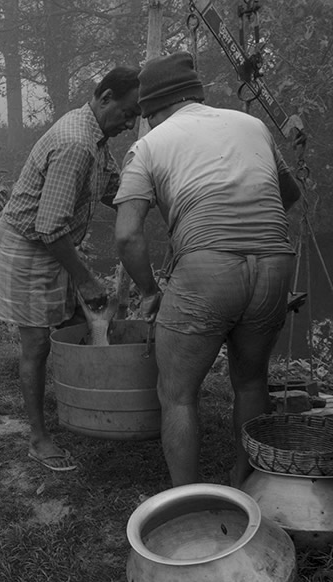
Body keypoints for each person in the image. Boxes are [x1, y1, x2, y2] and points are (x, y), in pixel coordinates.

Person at [113, 52, 301, 487]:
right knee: (252, 382)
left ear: (151, 109)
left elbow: (126, 235)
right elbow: (288, 193)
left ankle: (188, 501)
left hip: (207, 269)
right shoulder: (250, 125)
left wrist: (149, 291)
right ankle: (248, 486)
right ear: (195, 94)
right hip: (274, 259)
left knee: (177, 395)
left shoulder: (150, 145)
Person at [0, 66, 141, 472]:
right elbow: (49, 227)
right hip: (28, 244)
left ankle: (89, 410)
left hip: (51, 240)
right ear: (104, 97)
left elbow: (112, 190)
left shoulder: (97, 137)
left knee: (79, 323)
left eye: (136, 116)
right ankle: (39, 440)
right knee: (37, 342)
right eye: (126, 113)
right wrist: (85, 277)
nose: (130, 123)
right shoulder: (76, 143)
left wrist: (156, 197)